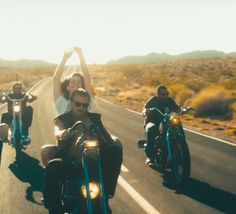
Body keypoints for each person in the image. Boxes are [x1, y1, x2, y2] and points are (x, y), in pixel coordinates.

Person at [43, 88, 123, 213]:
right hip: (71, 163)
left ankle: (107, 193)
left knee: (116, 149)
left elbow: (107, 138)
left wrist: (112, 142)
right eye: (78, 104)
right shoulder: (62, 119)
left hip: (94, 161)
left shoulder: (95, 119)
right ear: (70, 103)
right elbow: (58, 131)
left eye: (85, 105)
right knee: (53, 166)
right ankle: (55, 209)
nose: (81, 107)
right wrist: (63, 133)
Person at [142, 85, 180, 164]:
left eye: (167, 94)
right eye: (163, 94)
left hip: (165, 122)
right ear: (158, 94)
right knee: (151, 130)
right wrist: (146, 111)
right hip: (153, 122)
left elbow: (177, 108)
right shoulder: (153, 100)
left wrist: (181, 110)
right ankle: (150, 155)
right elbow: (145, 108)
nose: (166, 96)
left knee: (176, 126)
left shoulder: (169, 100)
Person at [54, 47, 94, 115]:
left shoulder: (87, 101)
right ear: (68, 87)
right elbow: (56, 78)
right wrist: (64, 59)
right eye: (73, 81)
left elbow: (86, 77)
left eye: (79, 82)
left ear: (82, 87)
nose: (76, 84)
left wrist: (81, 55)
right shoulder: (61, 102)